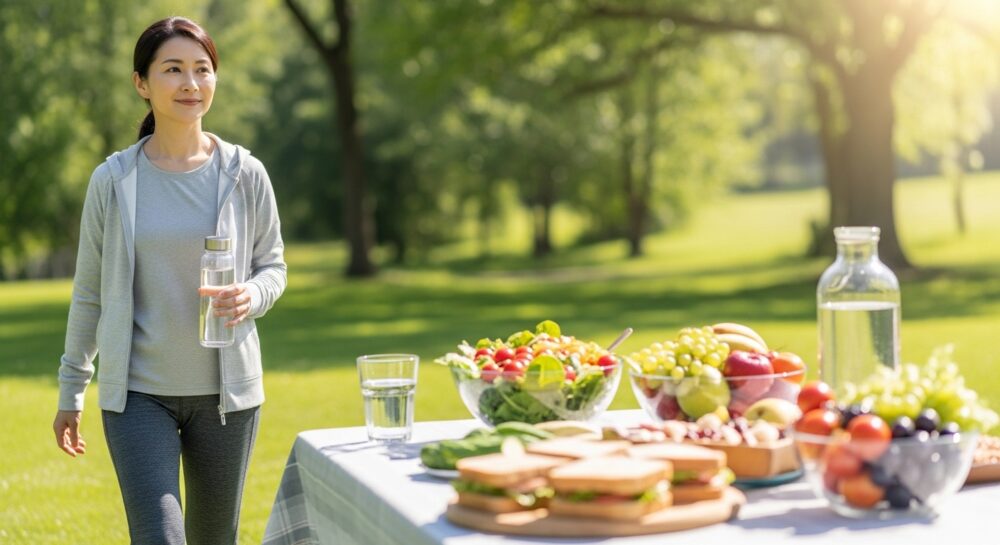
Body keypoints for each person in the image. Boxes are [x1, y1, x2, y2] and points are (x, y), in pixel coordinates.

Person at [52, 16, 286, 545]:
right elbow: (89, 292)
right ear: (142, 83)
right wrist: (73, 388)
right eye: (173, 69)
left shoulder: (245, 174)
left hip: (228, 400)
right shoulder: (113, 180)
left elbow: (274, 266)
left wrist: (253, 293)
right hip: (139, 396)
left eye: (202, 70)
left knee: (214, 538)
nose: (190, 83)